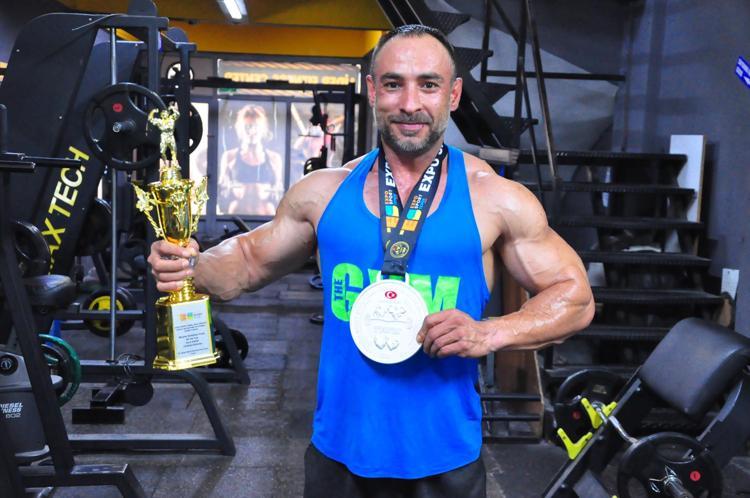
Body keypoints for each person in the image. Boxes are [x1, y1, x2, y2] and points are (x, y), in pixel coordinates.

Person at [149, 25, 594, 498]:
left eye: (428, 84)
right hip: (340, 453)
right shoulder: (324, 191)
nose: (410, 103)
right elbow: (246, 261)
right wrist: (189, 265)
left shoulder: (495, 198)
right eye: (393, 83)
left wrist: (490, 333)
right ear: (373, 90)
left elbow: (575, 298)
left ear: (453, 95)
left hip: (444, 457)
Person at [218, 103, 284, 215]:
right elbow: (220, 190)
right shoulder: (229, 157)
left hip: (266, 216)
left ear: (263, 129)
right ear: (240, 128)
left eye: (256, 126)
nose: (252, 131)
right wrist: (227, 187)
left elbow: (280, 192)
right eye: (247, 127)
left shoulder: (274, 158)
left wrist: (273, 190)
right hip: (236, 215)